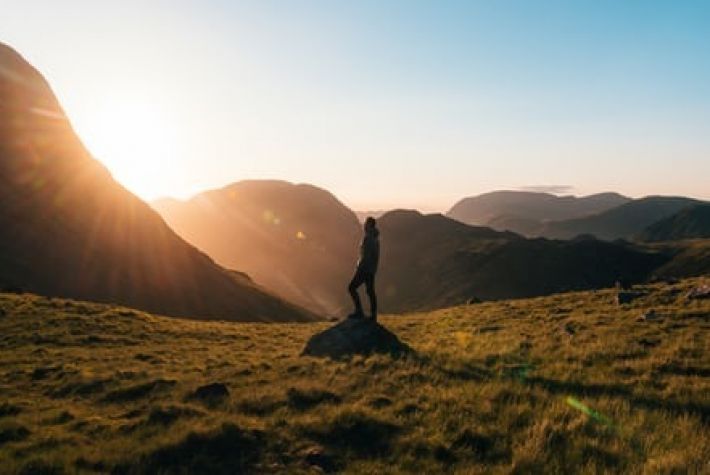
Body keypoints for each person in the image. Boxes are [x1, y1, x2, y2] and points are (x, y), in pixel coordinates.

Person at [348, 217, 380, 321]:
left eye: (366, 223)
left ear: (369, 225)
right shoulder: (375, 238)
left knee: (351, 288)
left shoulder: (368, 238)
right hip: (371, 270)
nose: (364, 225)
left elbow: (365, 256)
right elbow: (375, 256)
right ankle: (373, 315)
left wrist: (359, 267)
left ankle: (359, 311)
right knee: (370, 291)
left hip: (364, 269)